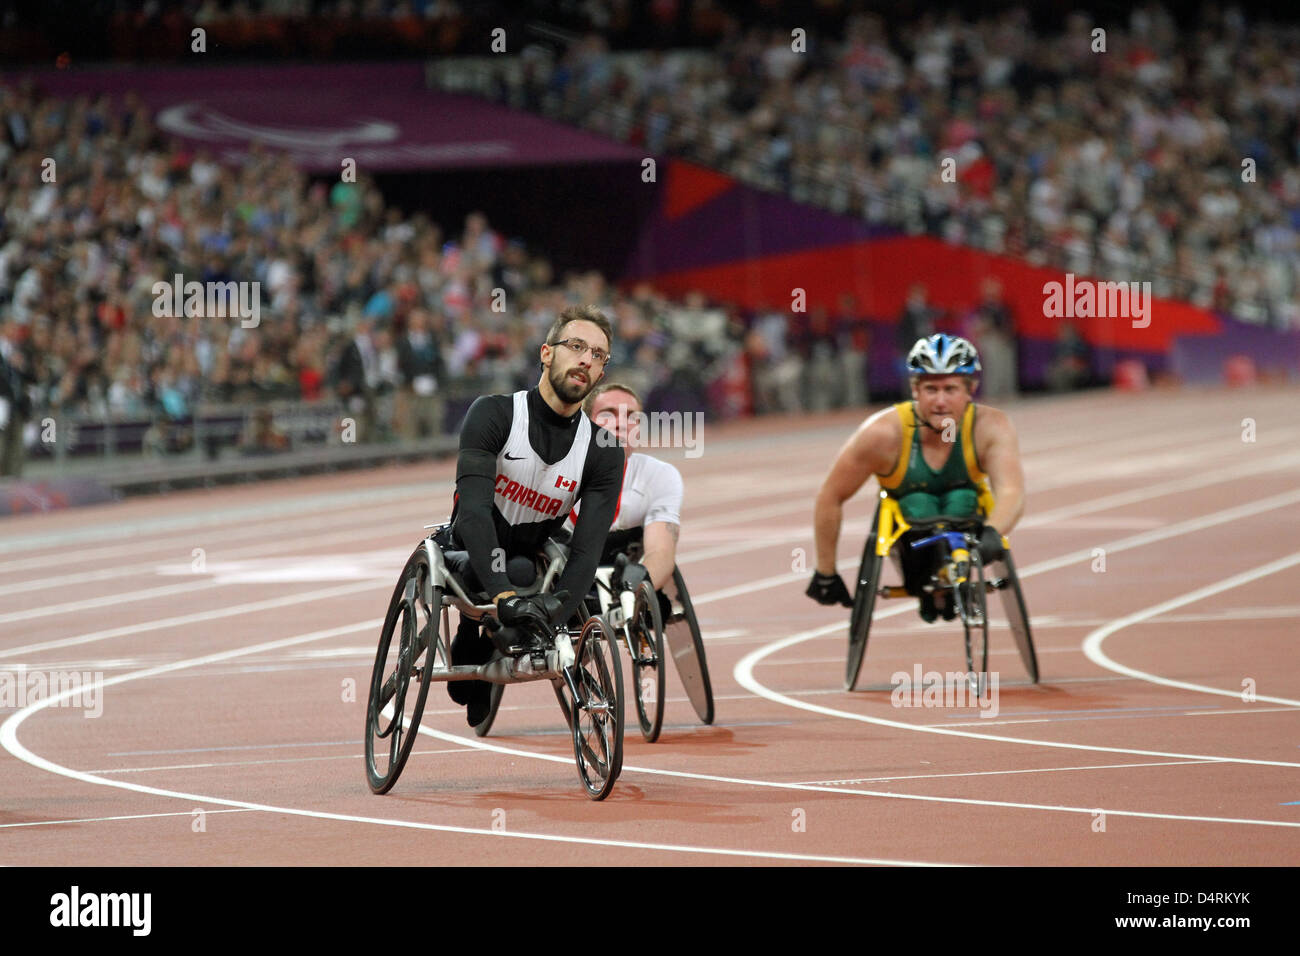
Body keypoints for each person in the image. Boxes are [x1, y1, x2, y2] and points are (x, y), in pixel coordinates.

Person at [441, 305, 625, 726]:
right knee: (507, 572)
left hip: (530, 560)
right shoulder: (493, 414)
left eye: (598, 356)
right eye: (576, 346)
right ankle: (473, 632)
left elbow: (587, 548)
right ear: (546, 353)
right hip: (470, 549)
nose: (586, 360)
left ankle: (493, 636)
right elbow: (471, 512)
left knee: (532, 571)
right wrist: (504, 597)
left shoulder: (603, 451)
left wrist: (556, 610)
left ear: (600, 375)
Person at [807, 334, 1026, 623]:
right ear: (915, 391)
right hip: (910, 529)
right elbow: (830, 496)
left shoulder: (990, 427)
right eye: (931, 389)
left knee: (962, 498)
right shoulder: (881, 434)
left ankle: (952, 574)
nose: (940, 401)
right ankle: (926, 585)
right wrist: (826, 571)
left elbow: (1011, 491)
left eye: (950, 389)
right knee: (919, 503)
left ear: (970, 391)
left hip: (964, 513)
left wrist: (993, 532)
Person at [569, 382, 683, 600]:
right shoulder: (553, 472)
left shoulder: (659, 475)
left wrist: (636, 588)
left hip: (622, 577)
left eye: (632, 417)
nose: (621, 424)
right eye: (608, 415)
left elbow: (661, 552)